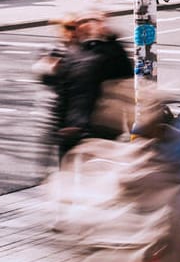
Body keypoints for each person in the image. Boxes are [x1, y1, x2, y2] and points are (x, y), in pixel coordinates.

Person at [46, 14, 135, 158]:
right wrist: (60, 128)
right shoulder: (72, 54)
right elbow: (62, 94)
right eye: (81, 23)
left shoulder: (111, 52)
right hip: (75, 131)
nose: (88, 26)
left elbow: (126, 83)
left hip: (101, 130)